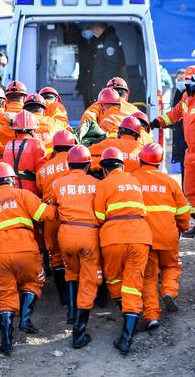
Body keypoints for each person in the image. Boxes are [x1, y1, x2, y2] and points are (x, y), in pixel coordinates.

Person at [0, 162, 56, 356]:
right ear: (13, 179)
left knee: (4, 297)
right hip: (26, 250)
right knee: (33, 281)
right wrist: (54, 205)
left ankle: (6, 342)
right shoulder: (23, 195)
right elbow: (45, 215)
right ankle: (25, 320)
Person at [151, 65, 195, 239]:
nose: (184, 84)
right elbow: (174, 114)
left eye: (187, 81)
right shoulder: (186, 98)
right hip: (190, 151)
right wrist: (157, 122)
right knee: (189, 189)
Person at [93, 147, 152, 355]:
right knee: (134, 283)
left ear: (105, 169)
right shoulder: (134, 181)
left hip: (113, 237)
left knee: (115, 279)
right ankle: (130, 325)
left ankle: (128, 326)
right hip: (139, 235)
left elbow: (99, 216)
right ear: (122, 165)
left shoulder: (103, 184)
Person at [132, 143, 190, 330]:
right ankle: (169, 292)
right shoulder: (170, 182)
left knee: (148, 277)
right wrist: (182, 227)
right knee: (171, 266)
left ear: (140, 160)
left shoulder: (131, 180)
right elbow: (183, 212)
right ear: (158, 163)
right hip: (168, 234)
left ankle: (151, 316)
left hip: (143, 236)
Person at [49, 145, 101, 348]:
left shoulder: (58, 183)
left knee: (71, 272)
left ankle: (71, 312)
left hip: (65, 234)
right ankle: (79, 332)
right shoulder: (96, 184)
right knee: (88, 281)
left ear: (69, 165)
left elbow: (52, 208)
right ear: (88, 165)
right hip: (89, 234)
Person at [35, 130, 78, 310]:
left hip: (51, 215)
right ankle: (77, 298)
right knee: (77, 255)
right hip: (71, 214)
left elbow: (39, 189)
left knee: (56, 257)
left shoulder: (43, 168)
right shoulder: (75, 163)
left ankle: (63, 299)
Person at [2, 110, 47, 195]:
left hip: (10, 190)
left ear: (15, 129)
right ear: (33, 130)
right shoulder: (36, 143)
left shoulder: (8, 145)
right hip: (30, 191)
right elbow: (42, 172)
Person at [88, 23, 127, 97]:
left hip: (109, 88)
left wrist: (106, 86)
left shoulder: (109, 40)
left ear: (97, 28)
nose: (93, 32)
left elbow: (112, 65)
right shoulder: (103, 39)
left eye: (92, 29)